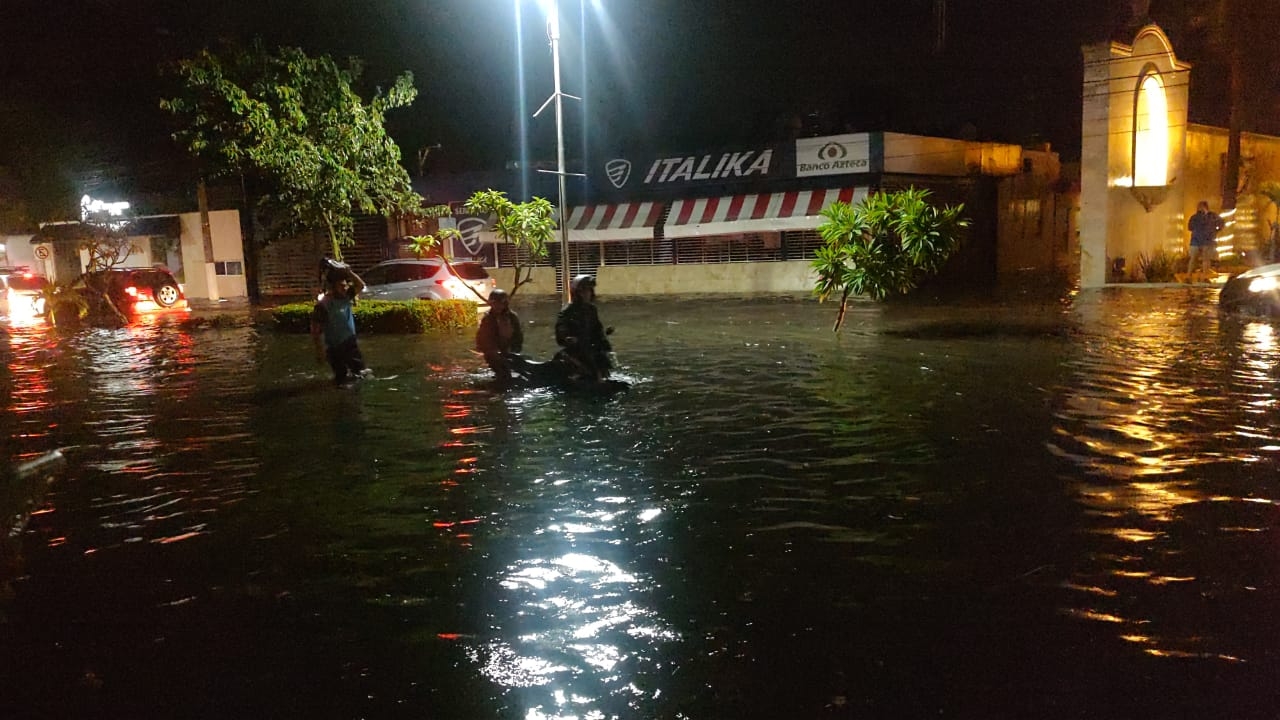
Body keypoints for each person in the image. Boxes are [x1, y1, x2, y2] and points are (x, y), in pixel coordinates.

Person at [311, 260, 369, 385]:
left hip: (350, 343)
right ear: (333, 287)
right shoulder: (323, 305)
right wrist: (319, 351)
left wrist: (349, 272)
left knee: (360, 373)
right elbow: (315, 330)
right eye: (341, 286)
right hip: (334, 347)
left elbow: (361, 285)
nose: (344, 288)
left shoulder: (346, 297)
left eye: (345, 285)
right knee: (341, 378)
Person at [554, 274, 613, 382]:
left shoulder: (591, 309)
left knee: (603, 362)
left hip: (591, 348)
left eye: (589, 291)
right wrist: (568, 338)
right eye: (584, 291)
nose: (587, 294)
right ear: (577, 293)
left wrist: (604, 339)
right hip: (575, 351)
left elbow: (597, 329)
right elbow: (561, 331)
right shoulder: (567, 311)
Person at [475, 288, 523, 381]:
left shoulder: (512, 317)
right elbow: (482, 337)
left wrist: (515, 349)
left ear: (505, 304)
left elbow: (518, 335)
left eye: (500, 304)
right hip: (493, 351)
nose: (498, 307)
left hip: (509, 349)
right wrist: (490, 350)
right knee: (500, 369)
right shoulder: (488, 318)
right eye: (495, 304)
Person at [1187, 200, 1224, 279]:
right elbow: (1190, 227)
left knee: (1203, 259)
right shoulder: (1211, 216)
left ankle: (1201, 277)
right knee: (1198, 259)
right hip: (1201, 241)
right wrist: (1215, 231)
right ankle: (1196, 277)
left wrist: (1215, 231)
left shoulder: (1197, 217)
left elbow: (1190, 227)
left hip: (1201, 241)